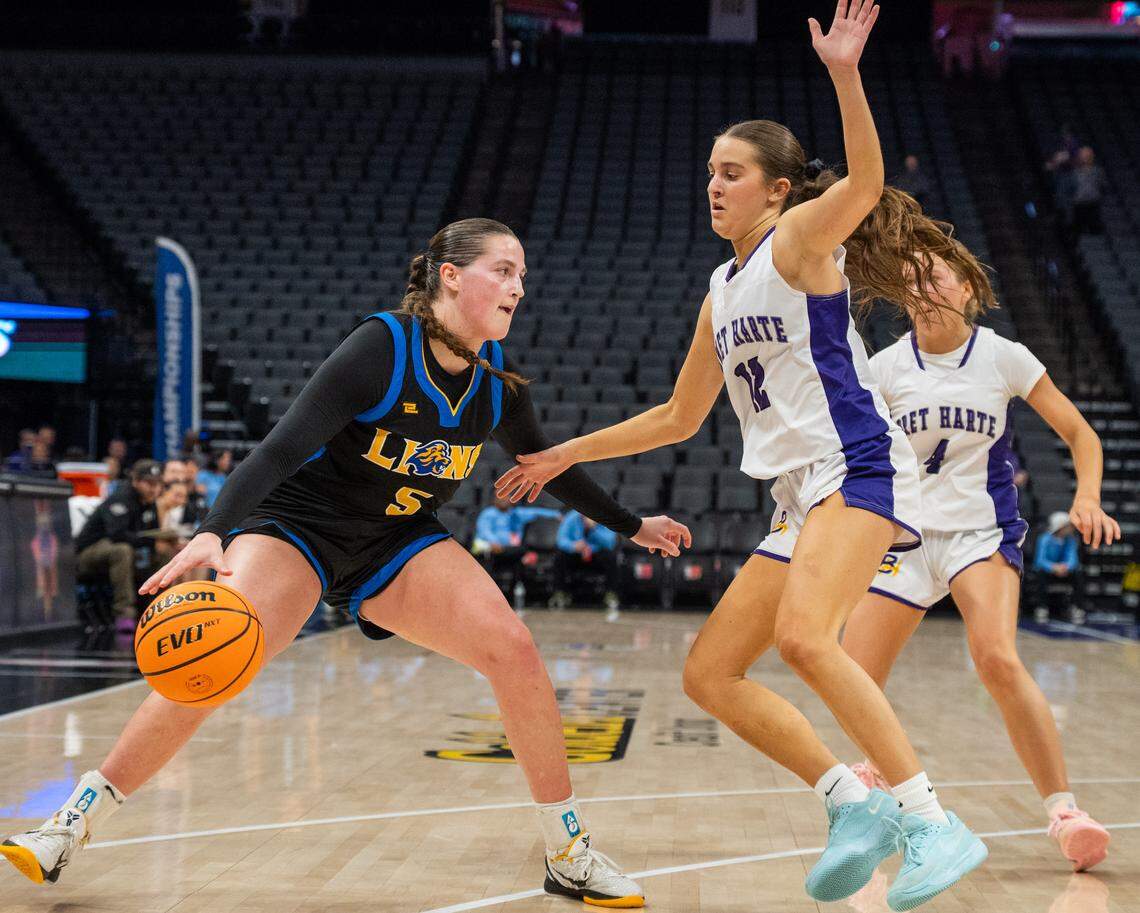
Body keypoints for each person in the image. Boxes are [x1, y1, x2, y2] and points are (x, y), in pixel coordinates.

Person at [0, 219, 689, 909]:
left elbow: (549, 468)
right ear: (451, 275)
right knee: (212, 659)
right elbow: (277, 449)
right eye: (504, 270)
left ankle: (568, 853)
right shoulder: (383, 347)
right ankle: (70, 824)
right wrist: (214, 531)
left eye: (523, 277)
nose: (518, 287)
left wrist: (633, 526)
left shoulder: (496, 387)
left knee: (514, 649)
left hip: (394, 540)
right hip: (299, 528)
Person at [496, 4, 987, 908]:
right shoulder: (720, 292)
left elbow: (869, 179)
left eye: (732, 172)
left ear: (776, 190)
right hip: (800, 496)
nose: (713, 185)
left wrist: (844, 71)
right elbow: (681, 416)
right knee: (710, 672)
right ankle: (851, 803)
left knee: (804, 637)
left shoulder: (799, 242)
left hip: (861, 468)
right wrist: (564, 450)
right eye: (709, 172)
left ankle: (928, 818)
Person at [838, 248, 1119, 873]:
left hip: (978, 534)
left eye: (934, 276)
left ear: (968, 288)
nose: (922, 288)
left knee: (995, 657)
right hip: (903, 537)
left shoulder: (1003, 356)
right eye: (910, 281)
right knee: (851, 673)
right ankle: (881, 784)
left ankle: (1065, 811)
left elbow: (1082, 434)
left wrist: (1088, 495)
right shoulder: (884, 370)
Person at [71, 460, 163, 633]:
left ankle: (158, 610)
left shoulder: (150, 502)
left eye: (158, 484)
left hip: (126, 551)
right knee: (122, 550)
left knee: (165, 554)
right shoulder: (121, 498)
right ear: (135, 481)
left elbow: (153, 535)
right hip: (88, 553)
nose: (154, 489)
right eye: (150, 483)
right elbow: (117, 535)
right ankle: (124, 614)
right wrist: (148, 540)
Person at [472, 494, 559, 597]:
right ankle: (525, 555)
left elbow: (536, 512)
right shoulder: (488, 513)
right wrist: (494, 542)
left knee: (519, 563)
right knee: (521, 553)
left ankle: (511, 594)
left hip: (509, 551)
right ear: (494, 499)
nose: (503, 499)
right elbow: (484, 531)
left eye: (506, 496)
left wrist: (556, 514)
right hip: (489, 548)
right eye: (500, 496)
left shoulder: (516, 513)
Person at [552, 511, 621, 616]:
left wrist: (593, 530)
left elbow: (610, 542)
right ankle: (560, 593)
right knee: (559, 555)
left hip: (596, 554)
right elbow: (561, 540)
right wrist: (573, 546)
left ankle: (610, 594)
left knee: (611, 557)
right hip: (576, 554)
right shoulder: (572, 517)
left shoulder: (606, 517)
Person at [1030, 510, 1084, 622]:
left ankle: (1074, 607)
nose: (1071, 528)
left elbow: (1073, 559)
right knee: (1040, 575)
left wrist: (1065, 567)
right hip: (1047, 571)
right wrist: (1053, 567)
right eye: (1069, 526)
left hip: (1064, 571)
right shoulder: (1044, 539)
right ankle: (1041, 607)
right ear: (1061, 527)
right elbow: (1039, 560)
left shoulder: (1070, 540)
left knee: (1078, 574)